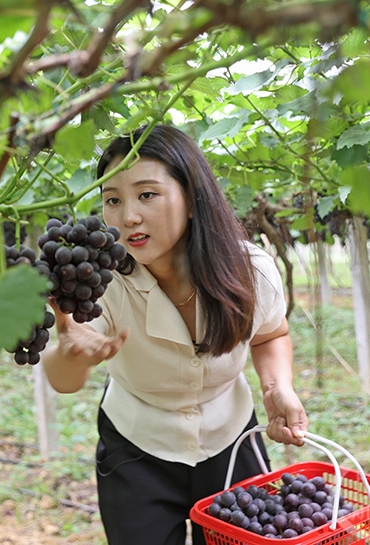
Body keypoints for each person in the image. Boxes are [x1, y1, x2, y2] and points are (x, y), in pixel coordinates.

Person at [41, 124, 308, 545]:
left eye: (147, 194)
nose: (128, 216)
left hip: (231, 438)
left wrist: (278, 386)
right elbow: (63, 380)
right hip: (136, 445)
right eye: (113, 199)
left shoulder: (251, 271)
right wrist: (71, 353)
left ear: (191, 200)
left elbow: (271, 335)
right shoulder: (102, 280)